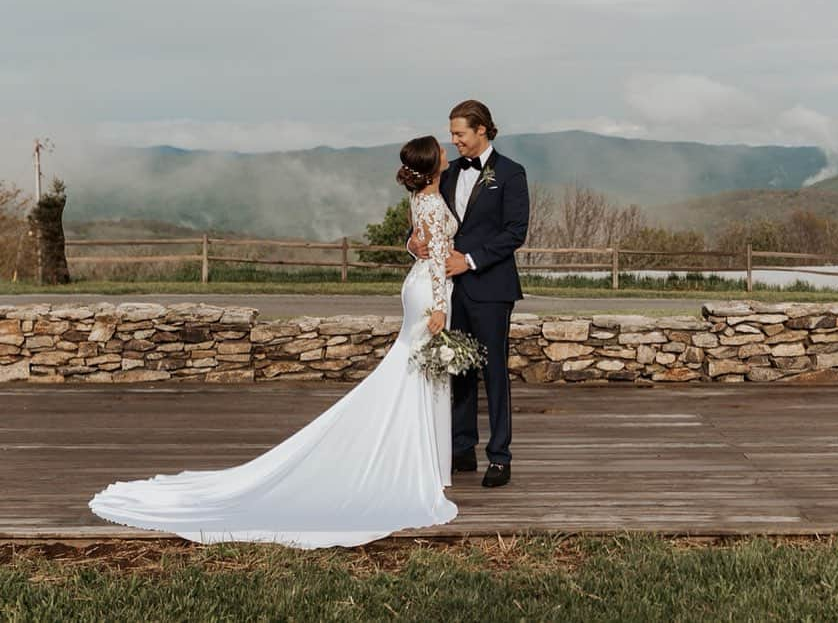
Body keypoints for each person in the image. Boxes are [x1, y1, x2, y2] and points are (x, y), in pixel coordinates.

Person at [89, 136, 459, 549]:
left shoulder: (422, 197)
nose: (449, 151)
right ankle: (420, 469)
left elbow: (422, 244)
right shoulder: (430, 200)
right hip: (430, 292)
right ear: (432, 166)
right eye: (443, 151)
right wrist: (441, 309)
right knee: (421, 374)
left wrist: (415, 249)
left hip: (416, 287)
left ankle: (423, 462)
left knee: (413, 373)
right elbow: (440, 258)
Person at [408, 100, 529, 488]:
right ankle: (461, 447)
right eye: (452, 134)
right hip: (448, 289)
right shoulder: (447, 172)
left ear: (482, 130)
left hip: (491, 287)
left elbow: (514, 233)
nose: (454, 140)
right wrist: (413, 245)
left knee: (494, 371)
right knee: (455, 368)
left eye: (460, 133)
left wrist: (471, 260)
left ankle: (499, 456)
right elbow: (425, 219)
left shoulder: (511, 174)